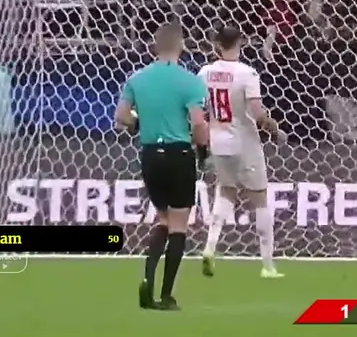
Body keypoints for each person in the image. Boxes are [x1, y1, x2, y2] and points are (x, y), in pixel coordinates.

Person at [114, 22, 209, 311]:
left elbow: (121, 116)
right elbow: (199, 124)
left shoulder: (137, 78)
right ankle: (167, 296)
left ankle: (147, 279)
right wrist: (202, 152)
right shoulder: (190, 81)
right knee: (179, 225)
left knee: (163, 220)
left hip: (150, 155)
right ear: (181, 45)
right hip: (179, 154)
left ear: (155, 46)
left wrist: (139, 124)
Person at [198, 25, 287, 280]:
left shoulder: (204, 73)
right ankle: (268, 265)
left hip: (218, 141)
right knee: (259, 198)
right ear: (240, 43)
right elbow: (258, 114)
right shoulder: (247, 73)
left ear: (217, 44)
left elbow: (199, 108)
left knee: (226, 191)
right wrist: (276, 130)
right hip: (244, 142)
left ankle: (210, 247)